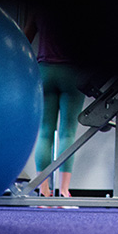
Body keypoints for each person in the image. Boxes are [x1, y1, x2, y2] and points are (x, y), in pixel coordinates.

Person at [24, 12, 86, 198]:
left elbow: (25, 38)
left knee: (45, 132)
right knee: (67, 132)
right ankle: (64, 190)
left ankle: (43, 190)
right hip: (71, 71)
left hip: (45, 71)